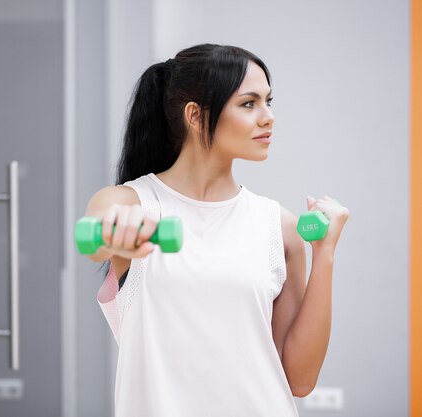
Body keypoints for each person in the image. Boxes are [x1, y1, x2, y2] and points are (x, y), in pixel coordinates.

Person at [84, 44, 350, 416]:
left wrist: (325, 253)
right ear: (195, 115)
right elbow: (95, 237)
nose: (268, 117)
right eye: (249, 103)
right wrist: (116, 233)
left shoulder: (279, 226)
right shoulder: (130, 203)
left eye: (269, 102)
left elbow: (300, 380)